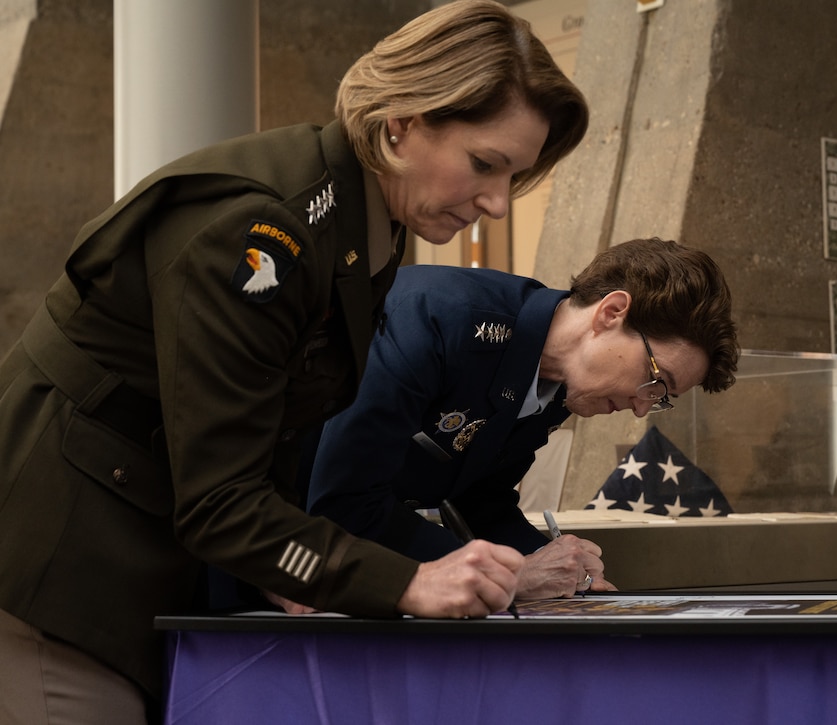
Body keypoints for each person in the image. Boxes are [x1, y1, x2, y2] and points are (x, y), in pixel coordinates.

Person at [0, 1, 588, 722]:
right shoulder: (265, 230)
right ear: (400, 123)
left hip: (133, 564)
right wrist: (409, 581)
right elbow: (220, 499)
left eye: (514, 178)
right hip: (53, 570)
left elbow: (261, 436)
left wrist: (299, 563)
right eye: (484, 165)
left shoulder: (359, 218)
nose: (497, 204)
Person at [307, 237, 739, 600]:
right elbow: (343, 503)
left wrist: (562, 571)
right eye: (654, 379)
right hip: (273, 562)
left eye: (662, 399)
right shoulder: (439, 319)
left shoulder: (556, 389)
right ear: (611, 313)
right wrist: (511, 577)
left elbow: (483, 501)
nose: (643, 407)